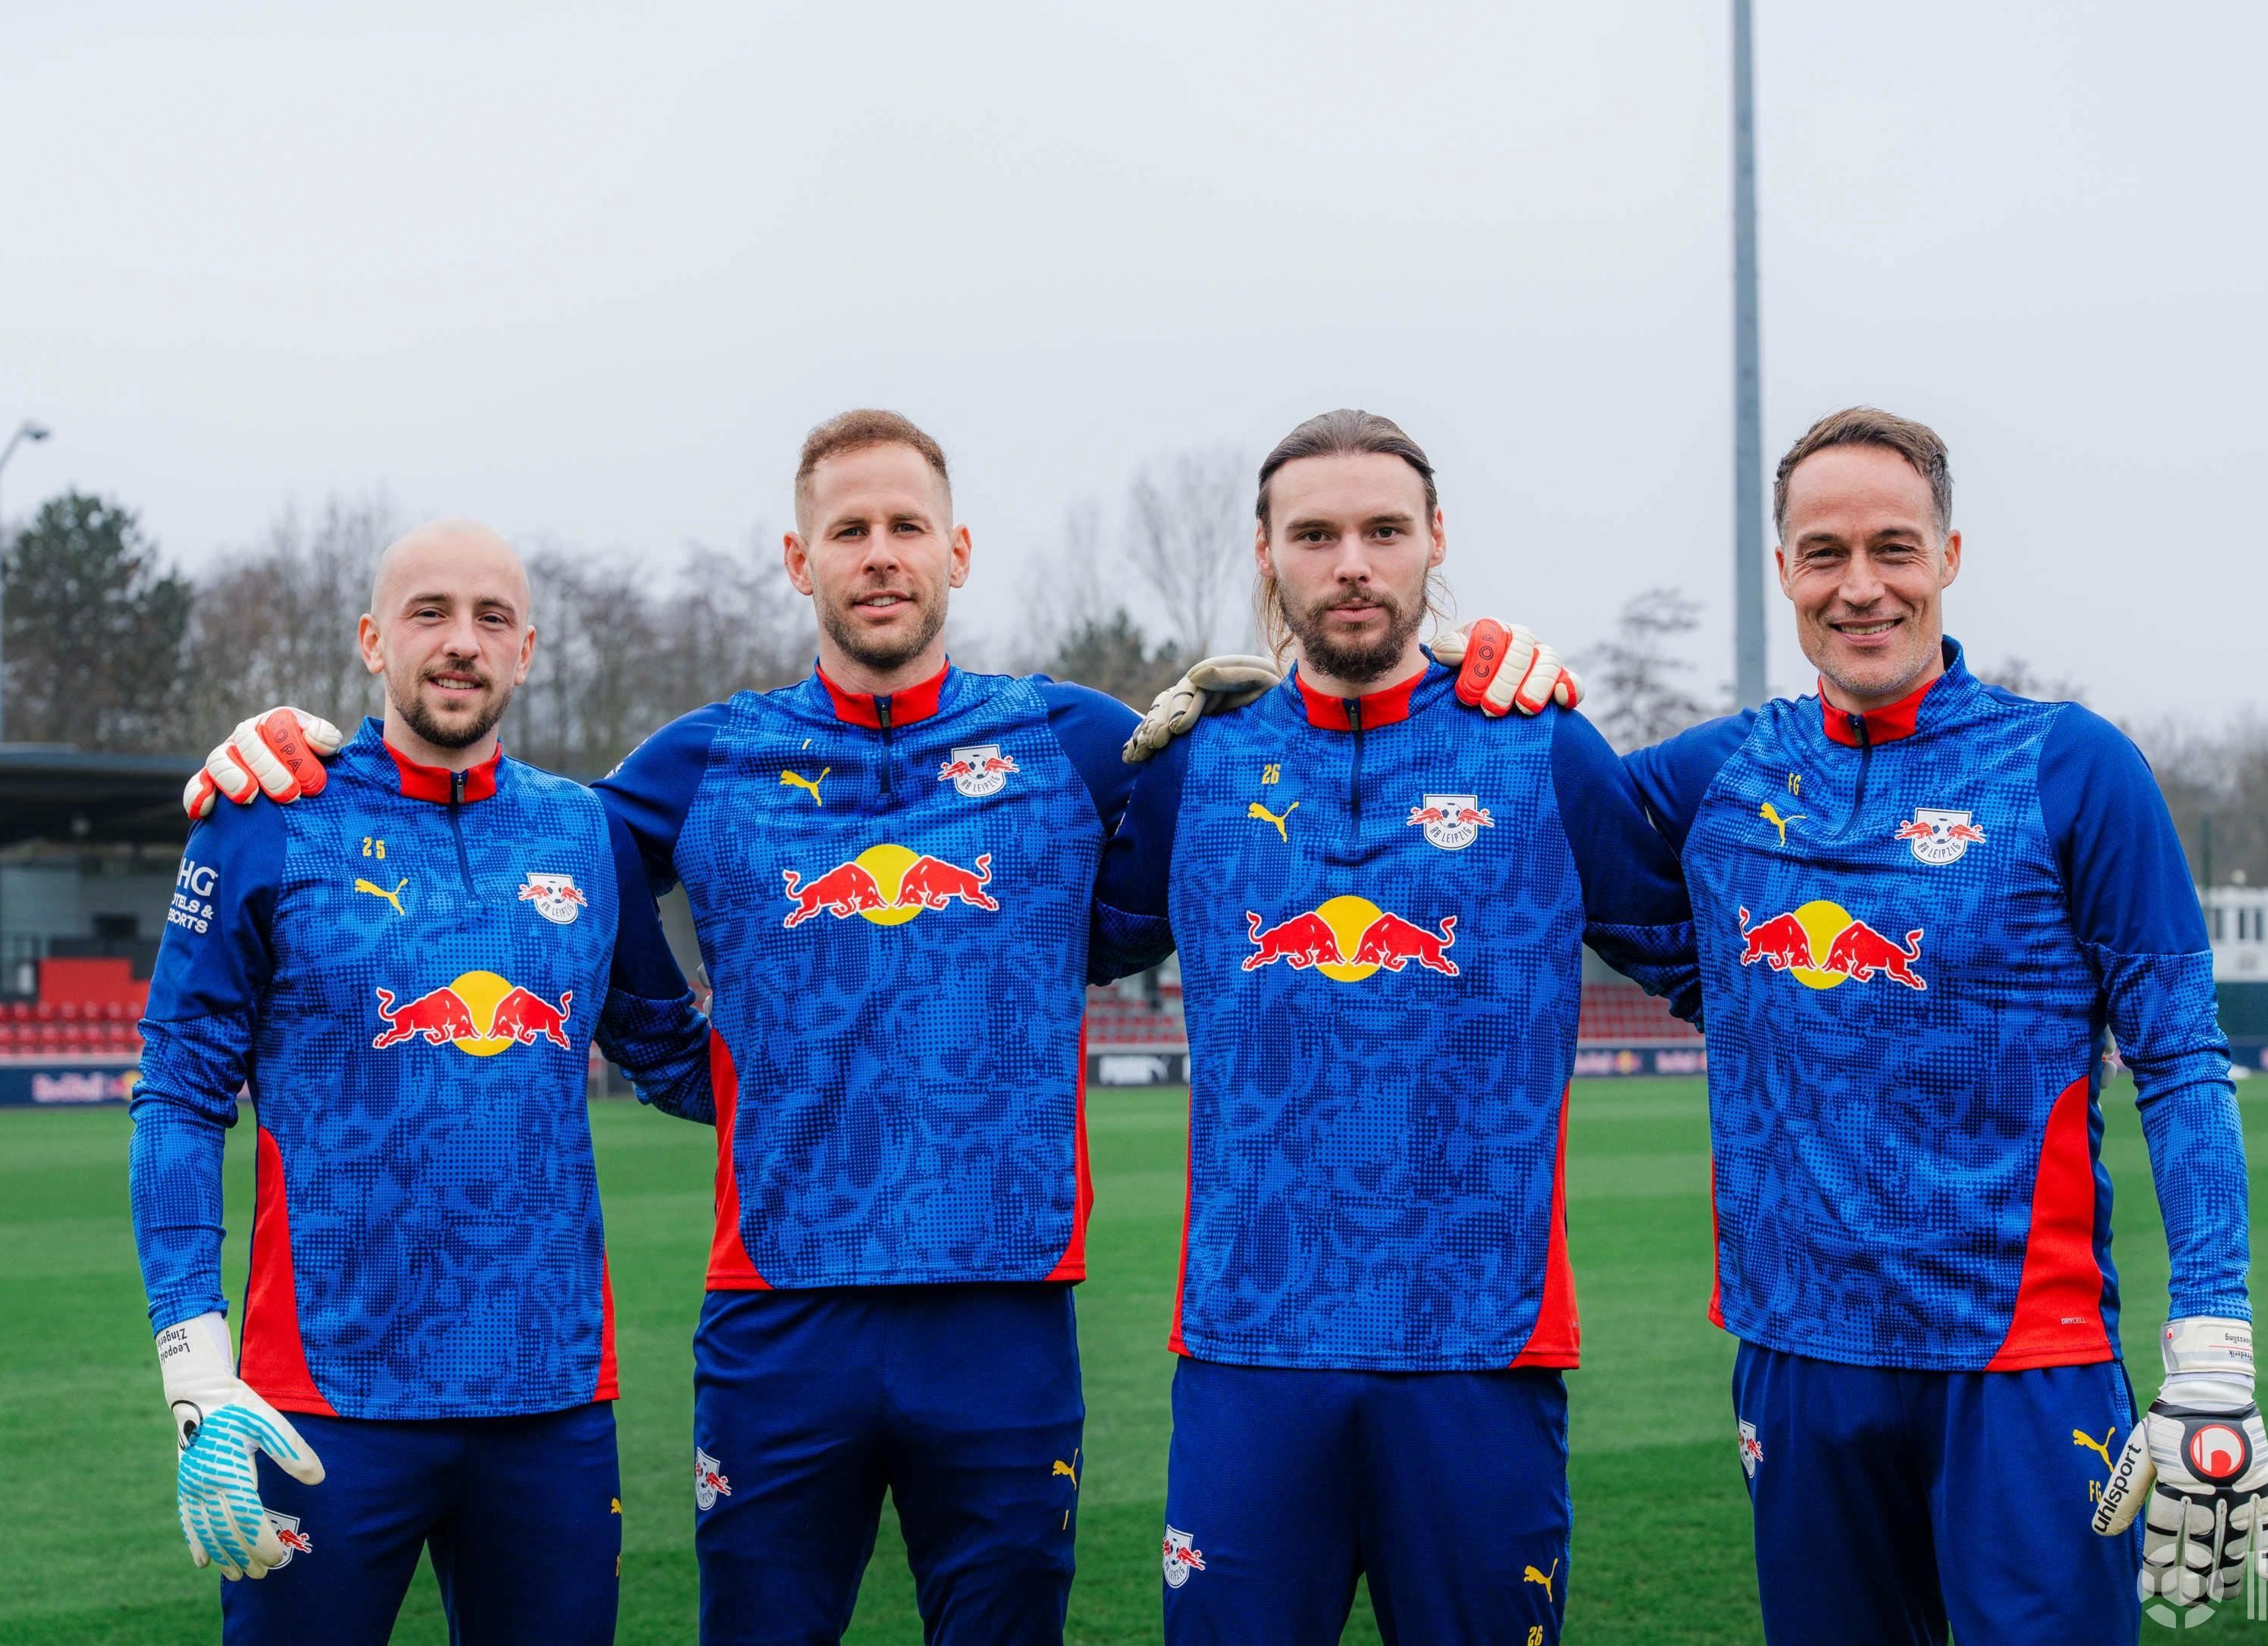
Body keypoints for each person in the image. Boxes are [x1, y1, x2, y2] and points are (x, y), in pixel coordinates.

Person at [181, 410, 1575, 1646]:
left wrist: (1473, 658)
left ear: (957, 552)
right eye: (848, 532)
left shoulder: (1073, 743)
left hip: (1002, 1317)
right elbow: (516, 839)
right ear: (801, 563)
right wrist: (311, 756)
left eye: (908, 526)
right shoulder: (707, 760)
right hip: (780, 1322)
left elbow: (1299, 754)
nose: (881, 554)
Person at [1620, 407, 2268, 1642]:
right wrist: (1464, 675)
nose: (1860, 586)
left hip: (2024, 1362)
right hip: (1798, 1356)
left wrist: (2213, 1350)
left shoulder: (2070, 766)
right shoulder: (1724, 772)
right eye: (1825, 554)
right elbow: (1542, 816)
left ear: (1950, 556)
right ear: (1784, 570)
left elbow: (2182, 1058)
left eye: (1894, 548)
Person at [1089, 409, 1700, 1646]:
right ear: (1266, 552)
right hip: (1251, 1347)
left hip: (1482, 1347)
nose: (1353, 563)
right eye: (1316, 535)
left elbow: (1709, 964)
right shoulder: (1197, 766)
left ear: (1436, 541)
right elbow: (1036, 940)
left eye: (1383, 530)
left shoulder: (1541, 750)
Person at [130, 520, 711, 1646]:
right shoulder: (268, 818)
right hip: (323, 1401)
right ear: (371, 640)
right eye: (429, 613)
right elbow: (179, 1093)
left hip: (550, 1399)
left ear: (526, 650)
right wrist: (193, 1365)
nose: (461, 643)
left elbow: (677, 1060)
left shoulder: (583, 833)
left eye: (492, 619)